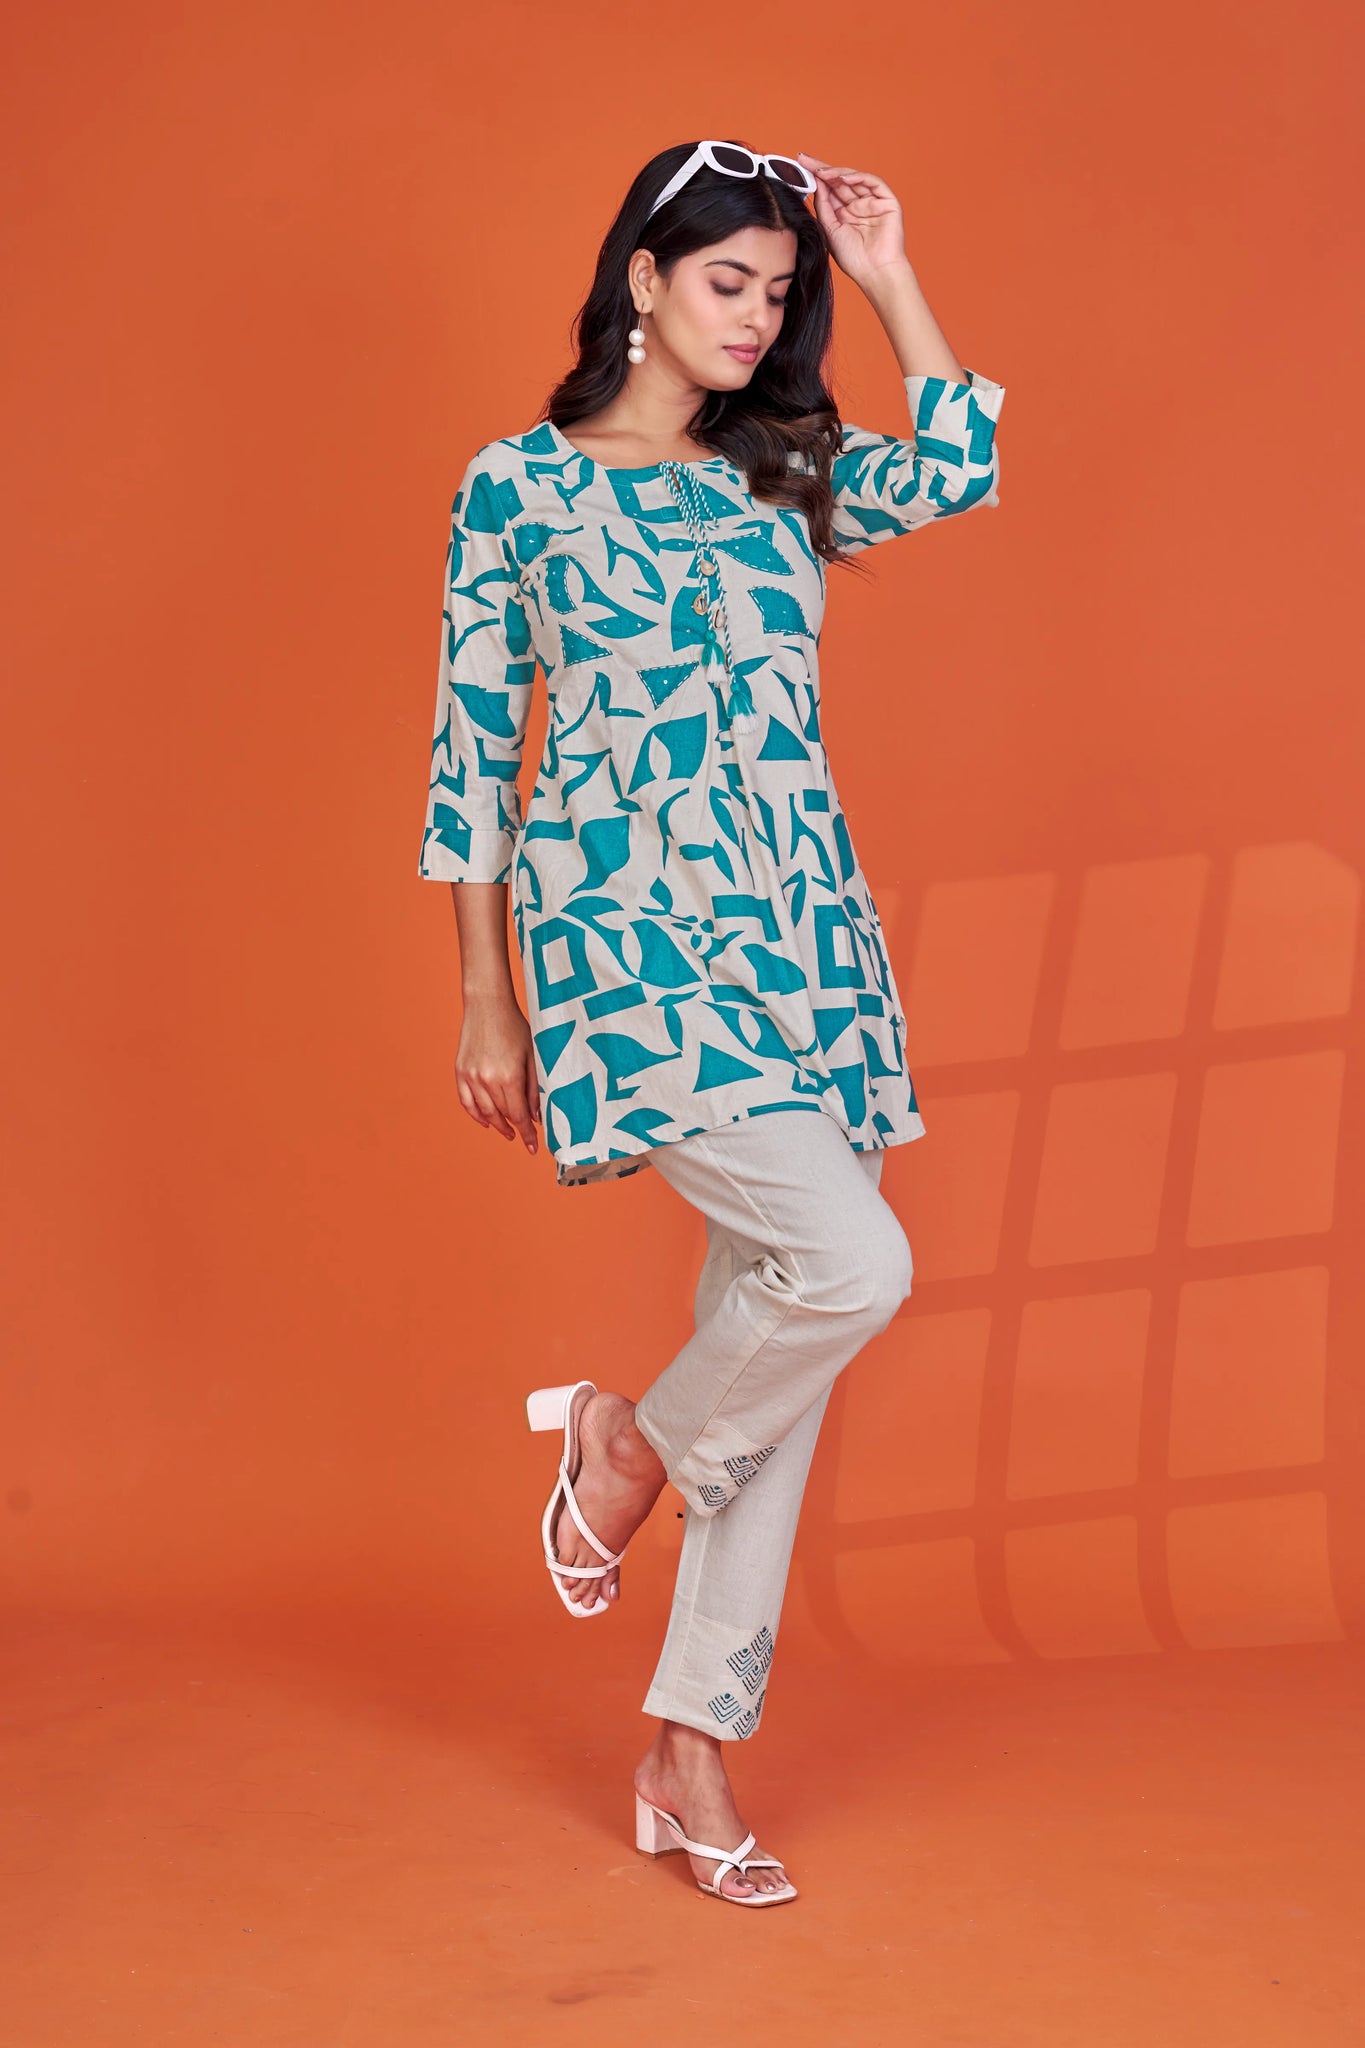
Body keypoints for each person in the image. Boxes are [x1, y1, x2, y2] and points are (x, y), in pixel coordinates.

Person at [418, 139, 1006, 1906]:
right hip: (624, 942)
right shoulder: (516, 488)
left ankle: (688, 1752)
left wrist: (883, 271)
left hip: (803, 940)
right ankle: (619, 1450)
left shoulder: (783, 470)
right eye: (726, 281)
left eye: (776, 291)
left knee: (776, 1336)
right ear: (643, 280)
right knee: (847, 1269)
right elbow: (471, 757)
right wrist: (486, 997)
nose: (754, 317)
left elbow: (961, 463)